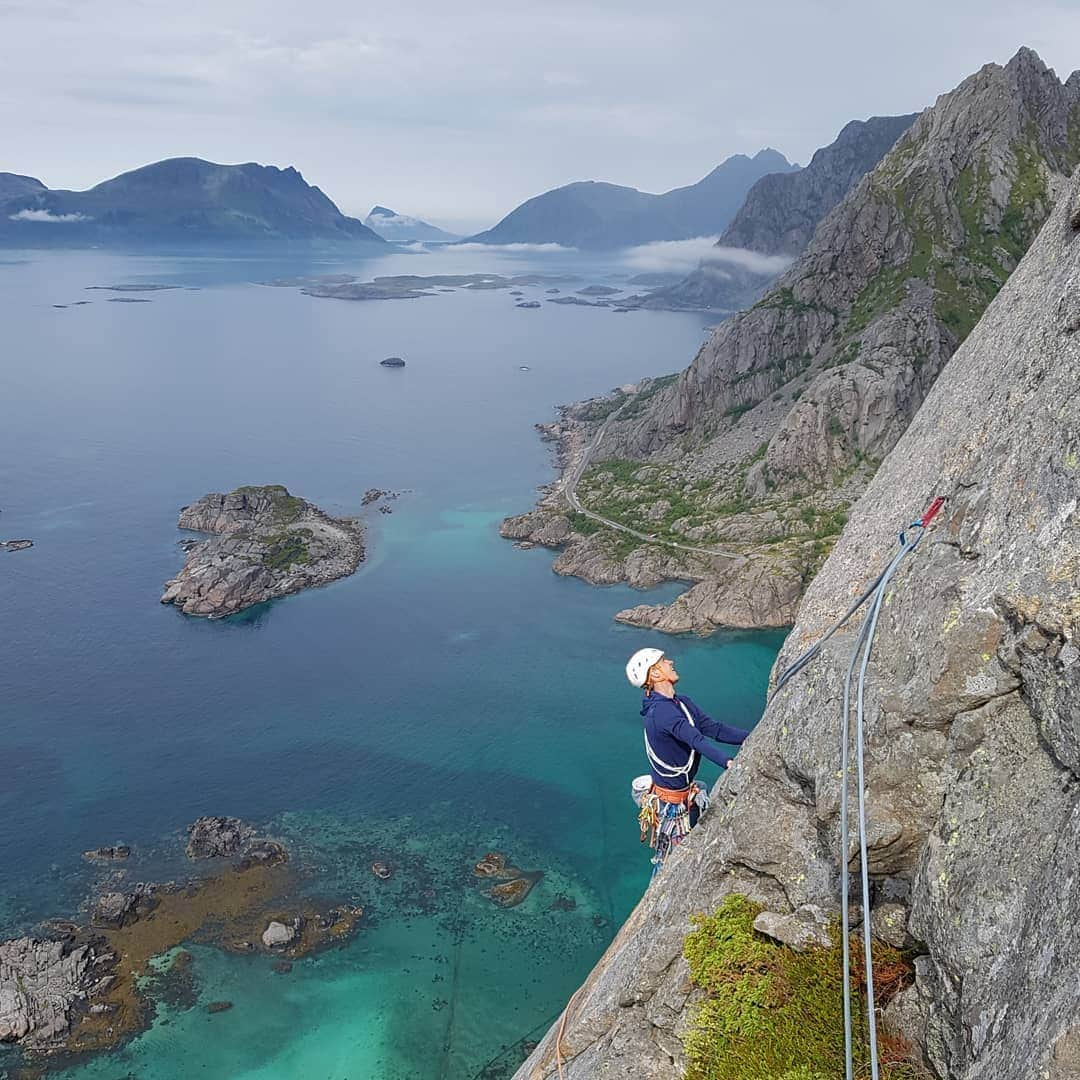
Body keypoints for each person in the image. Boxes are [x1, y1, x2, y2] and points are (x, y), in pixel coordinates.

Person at [625, 647, 751, 871]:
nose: (671, 662)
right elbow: (695, 740)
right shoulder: (661, 713)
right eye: (663, 661)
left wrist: (752, 737)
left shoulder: (680, 703)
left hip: (684, 797)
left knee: (680, 862)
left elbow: (714, 729)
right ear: (655, 674)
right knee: (670, 867)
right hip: (671, 805)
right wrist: (727, 762)